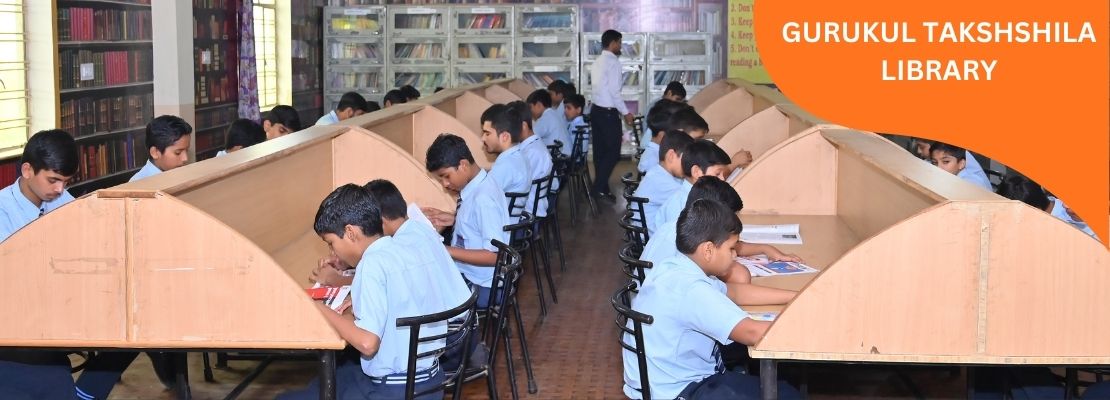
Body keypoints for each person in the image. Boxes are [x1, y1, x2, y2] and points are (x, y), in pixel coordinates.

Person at [278, 184, 455, 399]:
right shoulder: (404, 248)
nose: (333, 252)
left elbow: (368, 344)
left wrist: (319, 309)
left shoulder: (371, 264)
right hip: (430, 381)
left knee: (288, 397)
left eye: (332, 243)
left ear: (351, 232)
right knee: (333, 376)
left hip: (396, 390)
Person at [624, 199, 798, 399]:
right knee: (786, 394)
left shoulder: (675, 266)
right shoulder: (692, 290)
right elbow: (753, 333)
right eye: (731, 248)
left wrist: (797, 298)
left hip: (664, 378)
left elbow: (735, 292)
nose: (734, 256)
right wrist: (807, 322)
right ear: (708, 250)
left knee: (754, 362)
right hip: (679, 390)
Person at [422, 134, 511, 308]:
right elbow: (479, 223)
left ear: (463, 165)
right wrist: (455, 219)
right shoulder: (480, 186)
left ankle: (454, 334)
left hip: (481, 285)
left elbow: (495, 255)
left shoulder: (483, 199)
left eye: (446, 176)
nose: (445, 184)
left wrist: (445, 250)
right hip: (474, 276)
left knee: (422, 293)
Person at [589, 29, 635, 200]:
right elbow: (615, 92)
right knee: (614, 152)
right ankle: (598, 187)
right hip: (608, 113)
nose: (620, 46)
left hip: (596, 111)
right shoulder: (614, 63)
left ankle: (602, 187)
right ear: (613, 43)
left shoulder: (597, 62)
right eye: (620, 43)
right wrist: (626, 113)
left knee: (600, 152)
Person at [479, 104, 533, 196]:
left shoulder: (506, 165)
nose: (482, 138)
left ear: (505, 137)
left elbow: (481, 196)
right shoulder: (519, 155)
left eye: (487, 133)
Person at [130, 115, 192, 182]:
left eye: (187, 150)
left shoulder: (181, 173)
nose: (185, 158)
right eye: (178, 153)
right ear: (155, 152)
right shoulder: (138, 184)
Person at [928, 142, 992, 191]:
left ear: (962, 163)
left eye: (946, 162)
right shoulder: (950, 176)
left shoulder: (971, 183)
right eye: (934, 162)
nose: (938, 168)